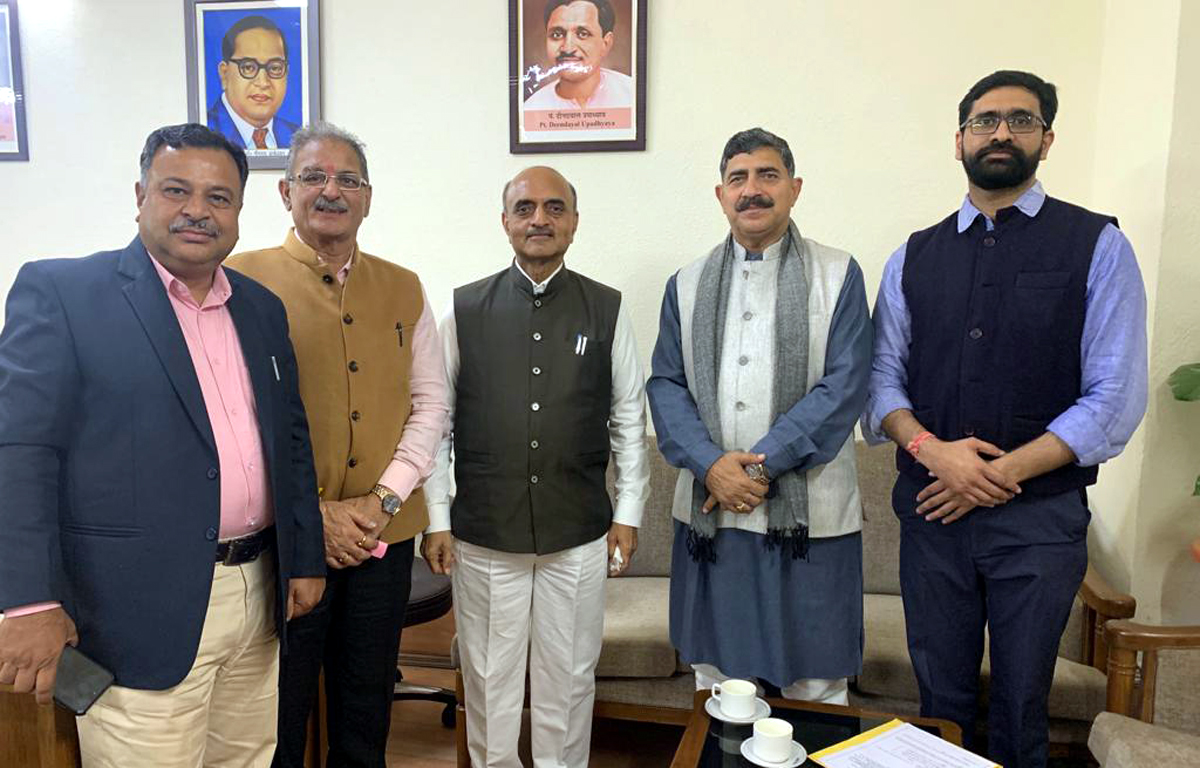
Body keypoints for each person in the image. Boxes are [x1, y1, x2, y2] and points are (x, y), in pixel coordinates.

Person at [0, 123, 326, 768]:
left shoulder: (261, 309)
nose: (198, 210)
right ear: (140, 195)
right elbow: (20, 452)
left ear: (239, 209)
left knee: (247, 758)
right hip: (133, 609)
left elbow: (290, 441)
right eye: (177, 190)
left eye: (219, 197)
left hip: (259, 591)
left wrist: (305, 557)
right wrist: (29, 601)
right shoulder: (65, 294)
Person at [863, 70, 1148, 768]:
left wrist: (995, 474)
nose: (1001, 133)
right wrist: (935, 453)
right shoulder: (913, 256)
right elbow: (881, 379)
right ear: (958, 140)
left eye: (1021, 121)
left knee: (1023, 707)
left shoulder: (1097, 245)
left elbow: (1114, 396)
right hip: (932, 513)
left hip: (1039, 522)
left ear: (1046, 140)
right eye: (984, 121)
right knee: (940, 705)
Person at [225, 122, 447, 768]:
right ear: (285, 191)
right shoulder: (239, 282)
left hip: (384, 536)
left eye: (348, 179)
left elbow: (431, 405)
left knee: (365, 712)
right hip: (284, 542)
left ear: (368, 198)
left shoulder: (404, 286)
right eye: (314, 177)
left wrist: (382, 501)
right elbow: (231, 417)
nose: (332, 191)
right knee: (279, 712)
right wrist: (311, 515)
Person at [421, 166, 648, 768]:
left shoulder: (606, 308)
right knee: (489, 680)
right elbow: (436, 422)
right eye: (525, 208)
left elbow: (629, 416)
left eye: (554, 208)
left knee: (568, 679)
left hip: (578, 532)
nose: (539, 220)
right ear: (505, 222)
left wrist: (627, 513)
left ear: (574, 222)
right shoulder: (463, 309)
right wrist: (436, 518)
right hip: (484, 533)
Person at [646, 127, 873, 705]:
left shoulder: (838, 273)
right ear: (720, 195)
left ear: (794, 188)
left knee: (815, 678)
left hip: (808, 517)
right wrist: (710, 465)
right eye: (738, 178)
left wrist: (756, 468)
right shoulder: (686, 283)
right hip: (711, 512)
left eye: (768, 175)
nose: (752, 189)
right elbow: (666, 384)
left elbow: (845, 384)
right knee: (719, 676)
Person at [208, 15, 299, 150]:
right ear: (224, 74)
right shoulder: (205, 136)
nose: (263, 83)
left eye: (275, 68)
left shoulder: (297, 138)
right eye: (248, 67)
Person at [523, 0, 633, 110]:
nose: (568, 48)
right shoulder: (532, 108)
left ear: (606, 43)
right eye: (557, 34)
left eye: (583, 34)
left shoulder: (632, 94)